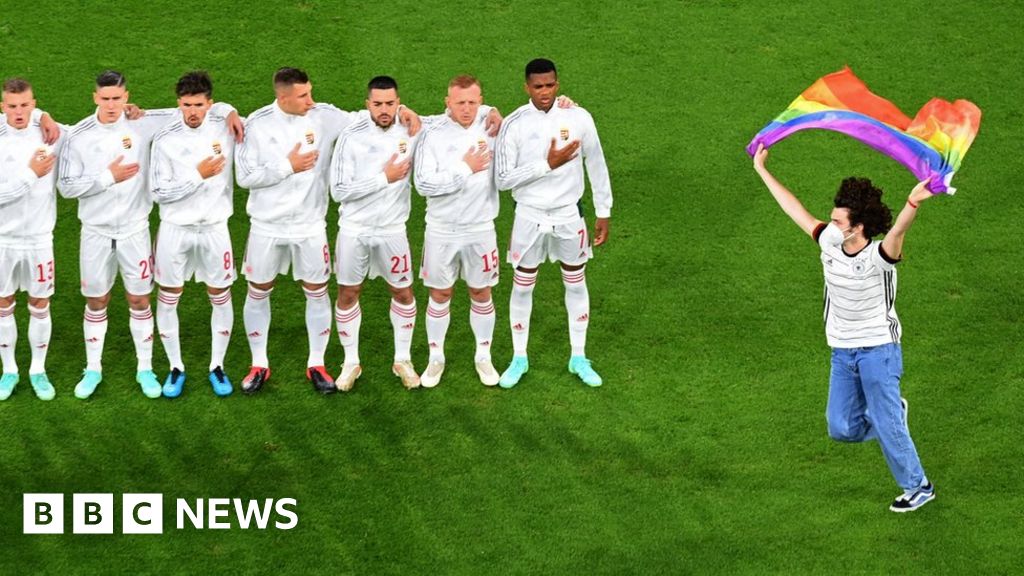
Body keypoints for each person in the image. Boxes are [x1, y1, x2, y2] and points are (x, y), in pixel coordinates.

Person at [752, 142, 936, 513]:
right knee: (841, 428)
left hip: (878, 351)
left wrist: (913, 201)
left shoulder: (880, 257)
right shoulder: (830, 241)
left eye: (838, 221)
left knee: (885, 423)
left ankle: (918, 486)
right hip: (842, 351)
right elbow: (794, 209)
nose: (831, 225)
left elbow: (899, 230)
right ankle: (891, 418)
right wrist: (762, 170)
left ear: (860, 227)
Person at [235, 67, 421, 395]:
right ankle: (259, 363)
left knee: (317, 290)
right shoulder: (257, 124)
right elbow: (245, 177)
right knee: (259, 289)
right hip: (267, 226)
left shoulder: (323, 116)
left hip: (310, 225)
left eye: (310, 92)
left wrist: (402, 110)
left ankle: (317, 364)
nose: (312, 100)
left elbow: (365, 116)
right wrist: (286, 166)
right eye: (304, 95)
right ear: (283, 97)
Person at [59, 70, 240, 399]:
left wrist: (228, 109)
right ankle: (94, 368)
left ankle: (153, 368)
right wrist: (106, 177)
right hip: (96, 232)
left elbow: (203, 110)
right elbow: (66, 186)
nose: (112, 104)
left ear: (127, 97)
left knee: (142, 300)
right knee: (97, 300)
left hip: (137, 230)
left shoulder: (146, 123)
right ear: (95, 98)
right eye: (105, 98)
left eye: (118, 98)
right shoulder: (79, 134)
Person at [493, 58, 613, 389]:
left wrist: (604, 210)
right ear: (526, 87)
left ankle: (578, 357)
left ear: (557, 83)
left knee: (575, 282)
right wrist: (547, 164)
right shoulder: (514, 124)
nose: (545, 92)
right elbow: (503, 179)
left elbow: (597, 162)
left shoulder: (578, 117)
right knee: (522, 285)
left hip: (568, 214)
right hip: (528, 215)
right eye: (538, 86)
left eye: (550, 85)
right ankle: (519, 357)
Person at [329, 76, 426, 391]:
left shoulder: (411, 130)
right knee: (348, 294)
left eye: (390, 103)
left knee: (403, 293)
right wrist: (383, 178)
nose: (384, 110)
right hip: (354, 230)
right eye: (377, 104)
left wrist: (490, 110)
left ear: (399, 102)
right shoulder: (351, 136)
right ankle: (350, 362)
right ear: (366, 104)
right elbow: (339, 190)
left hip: (392, 230)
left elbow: (456, 115)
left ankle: (402, 359)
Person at [150, 71, 243, 398]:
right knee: (169, 295)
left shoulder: (225, 126)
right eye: (187, 105)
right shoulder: (165, 139)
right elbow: (158, 191)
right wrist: (197, 175)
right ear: (178, 104)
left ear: (210, 104)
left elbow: (248, 117)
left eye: (199, 105)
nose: (192, 111)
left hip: (215, 229)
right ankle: (176, 367)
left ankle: (217, 366)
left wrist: (229, 110)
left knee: (220, 294)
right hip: (175, 229)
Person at [412, 74, 503, 387]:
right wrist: (465, 168)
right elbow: (423, 184)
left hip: (481, 229)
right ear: (447, 103)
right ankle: (436, 358)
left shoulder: (492, 128)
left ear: (481, 102)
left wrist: (564, 103)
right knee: (440, 294)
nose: (466, 108)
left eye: (473, 102)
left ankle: (483, 356)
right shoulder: (432, 134)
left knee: (481, 292)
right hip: (441, 230)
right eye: (460, 102)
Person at [0, 78, 63, 401]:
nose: (19, 112)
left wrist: (45, 117)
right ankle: (9, 371)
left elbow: (95, 124)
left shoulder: (51, 133)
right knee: (2, 305)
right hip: (3, 240)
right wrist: (30, 175)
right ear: (2, 107)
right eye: (12, 106)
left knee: (40, 304)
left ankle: (37, 370)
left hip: (39, 239)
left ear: (34, 104)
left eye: (25, 105)